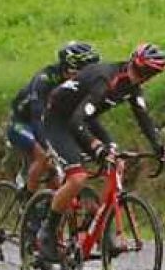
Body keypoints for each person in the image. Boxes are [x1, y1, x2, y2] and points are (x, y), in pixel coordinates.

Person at [35, 42, 165, 265]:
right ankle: (47, 234)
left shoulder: (131, 85)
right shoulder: (105, 81)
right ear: (131, 63)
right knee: (78, 177)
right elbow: (76, 121)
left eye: (149, 74)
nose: (142, 77)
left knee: (116, 161)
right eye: (140, 71)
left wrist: (159, 148)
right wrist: (96, 147)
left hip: (83, 119)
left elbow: (144, 119)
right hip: (59, 120)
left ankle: (102, 230)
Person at [6, 41, 100, 194]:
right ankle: (27, 200)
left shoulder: (78, 83)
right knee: (43, 156)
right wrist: (47, 145)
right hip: (24, 123)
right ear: (70, 68)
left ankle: (49, 206)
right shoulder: (45, 79)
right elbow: (37, 116)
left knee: (58, 174)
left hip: (50, 122)